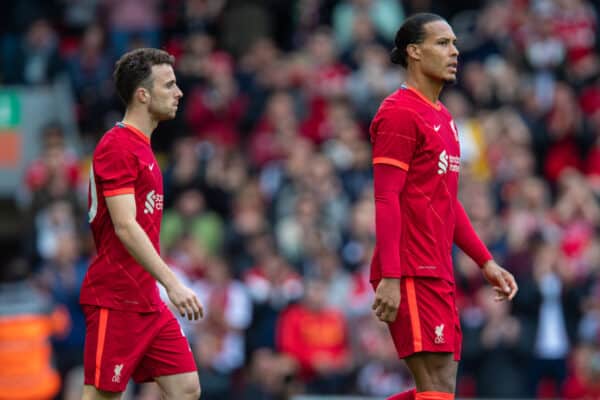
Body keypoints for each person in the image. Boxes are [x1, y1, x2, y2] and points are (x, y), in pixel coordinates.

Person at [369, 13, 519, 400]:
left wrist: (485, 261)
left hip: (438, 269)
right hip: (409, 270)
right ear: (414, 52)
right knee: (435, 387)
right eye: (443, 43)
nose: (455, 51)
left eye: (454, 43)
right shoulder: (399, 112)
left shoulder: (445, 118)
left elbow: (446, 201)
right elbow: (386, 197)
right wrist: (390, 276)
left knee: (439, 389)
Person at [80, 48, 203, 400]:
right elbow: (125, 226)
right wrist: (173, 284)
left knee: (186, 388)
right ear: (143, 94)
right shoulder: (118, 146)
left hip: (145, 298)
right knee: (102, 397)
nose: (178, 92)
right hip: (116, 297)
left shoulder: (143, 148)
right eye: (169, 85)